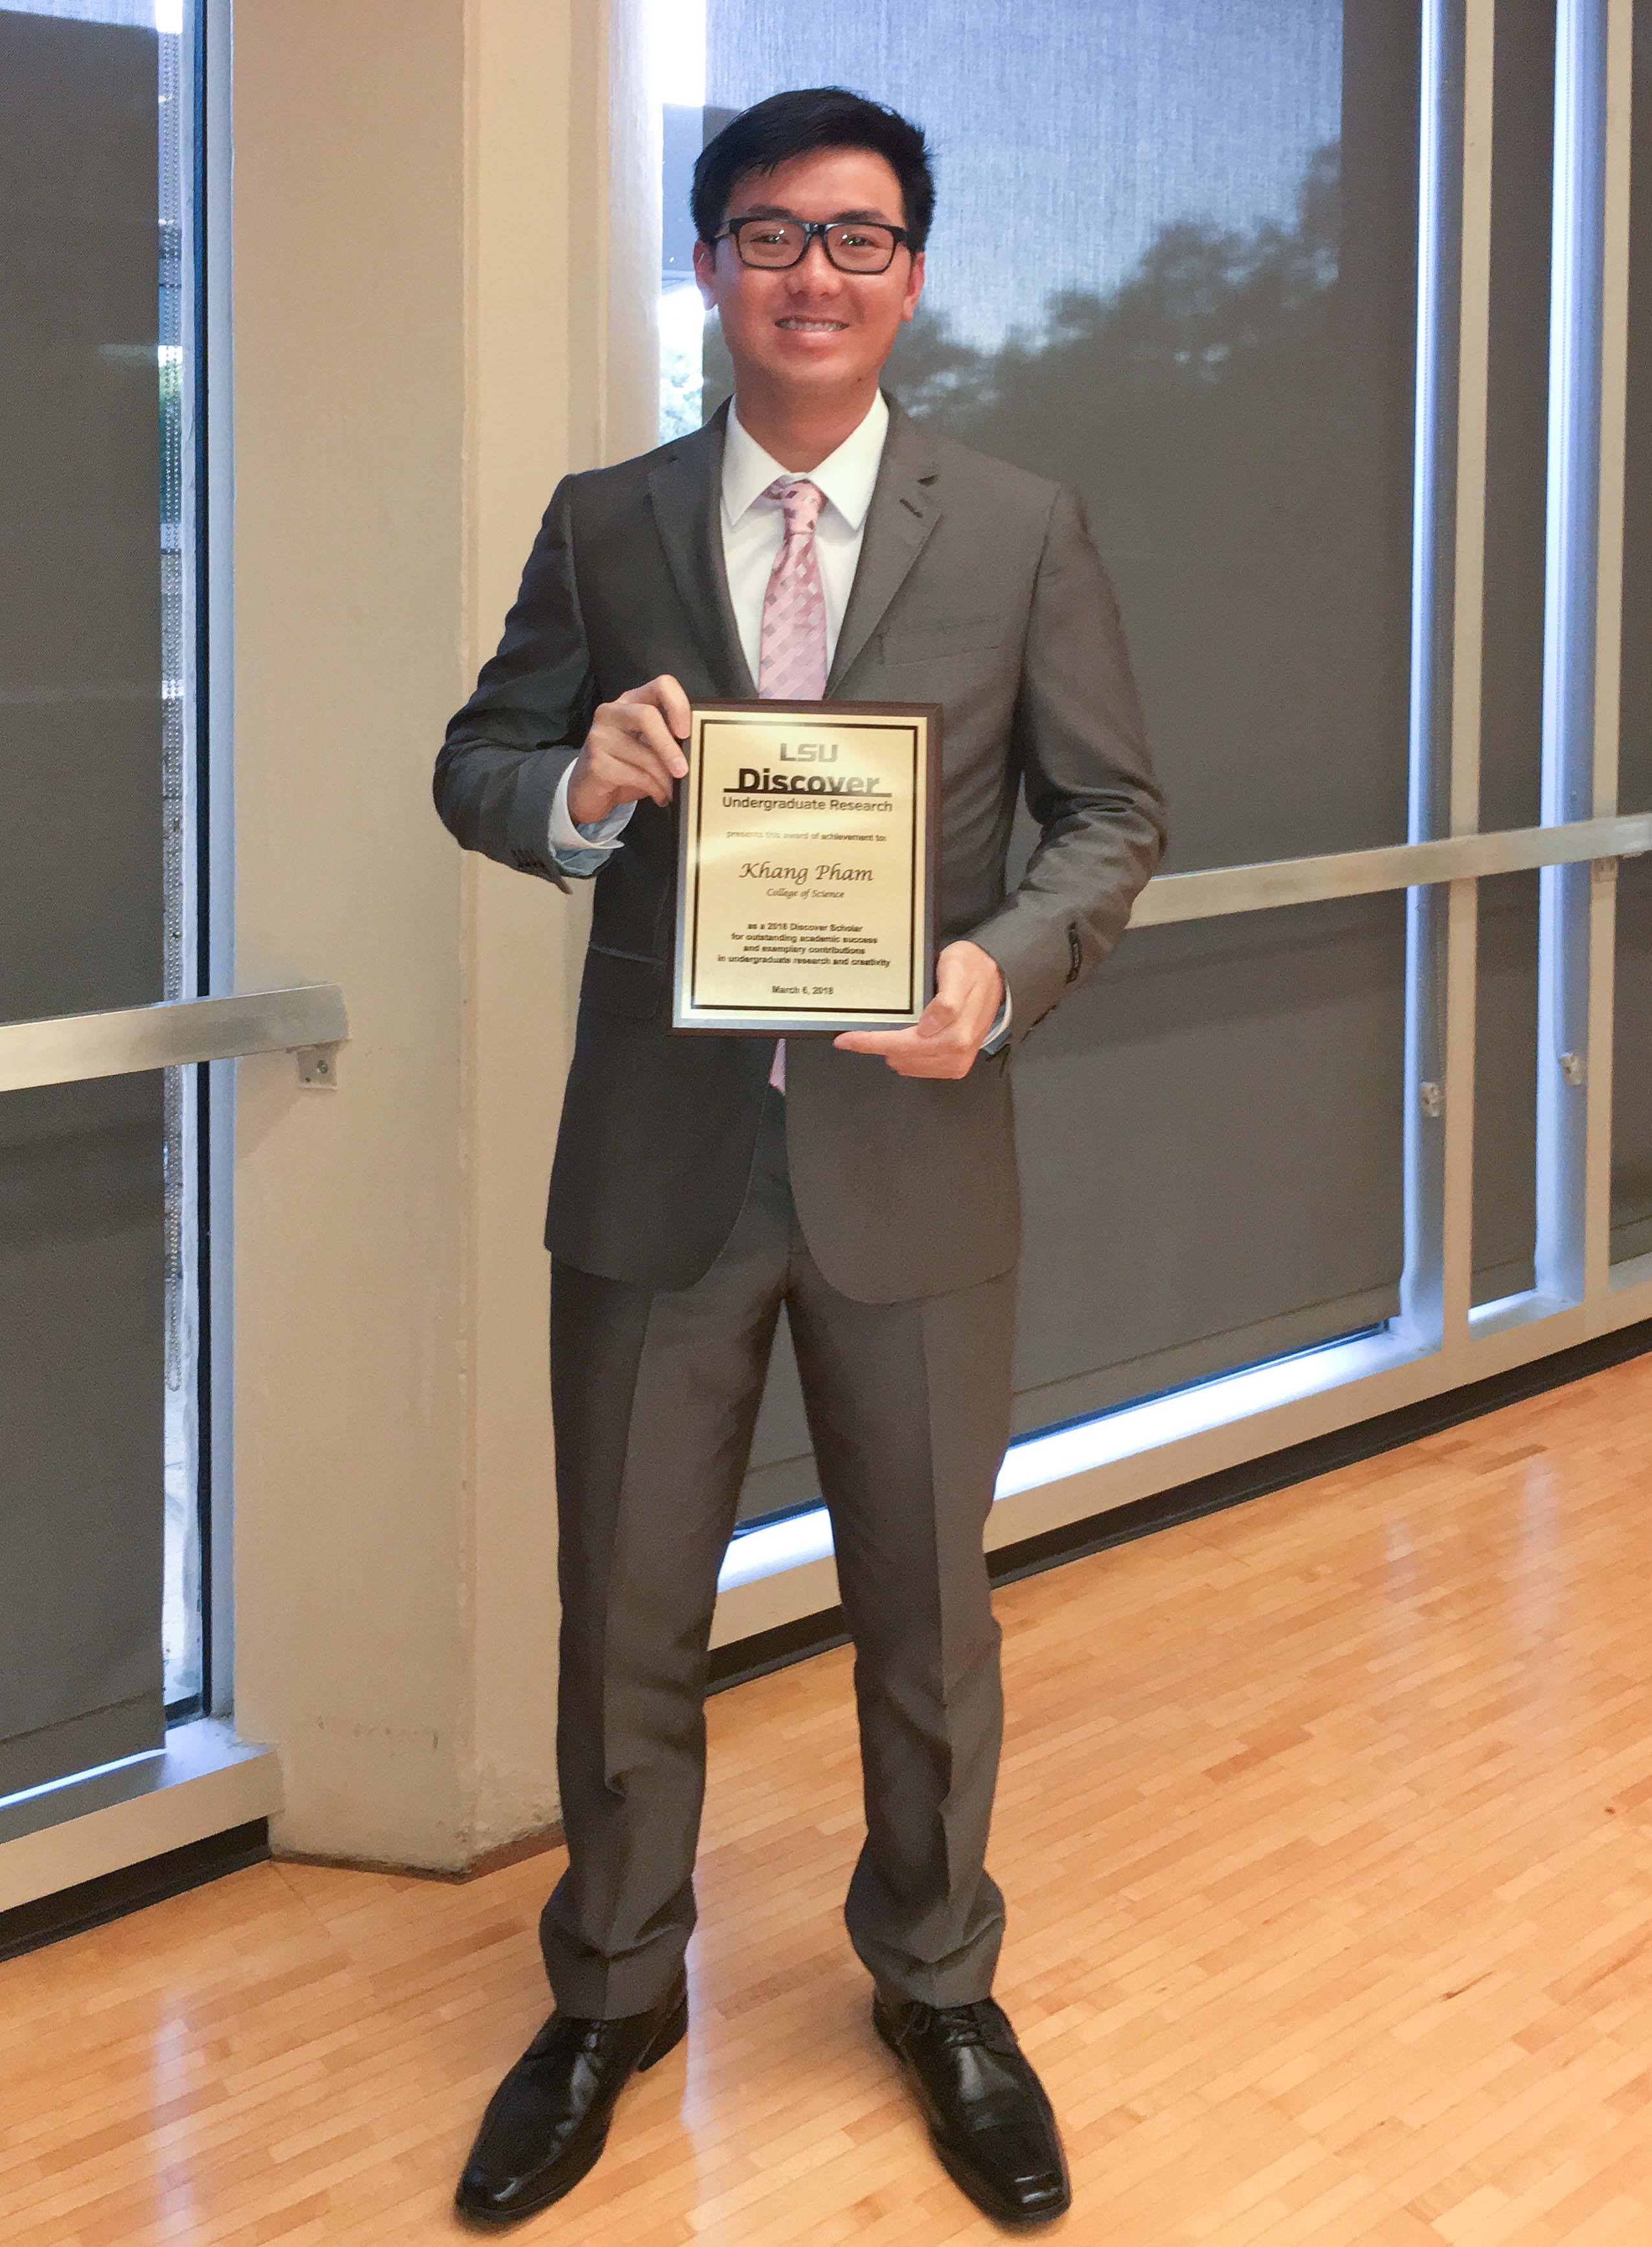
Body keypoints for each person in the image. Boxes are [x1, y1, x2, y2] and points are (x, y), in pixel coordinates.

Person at [432, 85, 1166, 2230]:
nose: (812, 275)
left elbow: (1112, 816)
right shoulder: (609, 521)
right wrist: (576, 784)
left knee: (927, 1618)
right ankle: (609, 1996)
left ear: (911, 276)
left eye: (857, 238)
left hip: (912, 1147)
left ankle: (940, 1986)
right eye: (769, 234)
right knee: (622, 1610)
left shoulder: (1018, 525)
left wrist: (997, 974)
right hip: (657, 1167)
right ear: (709, 266)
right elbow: (478, 760)